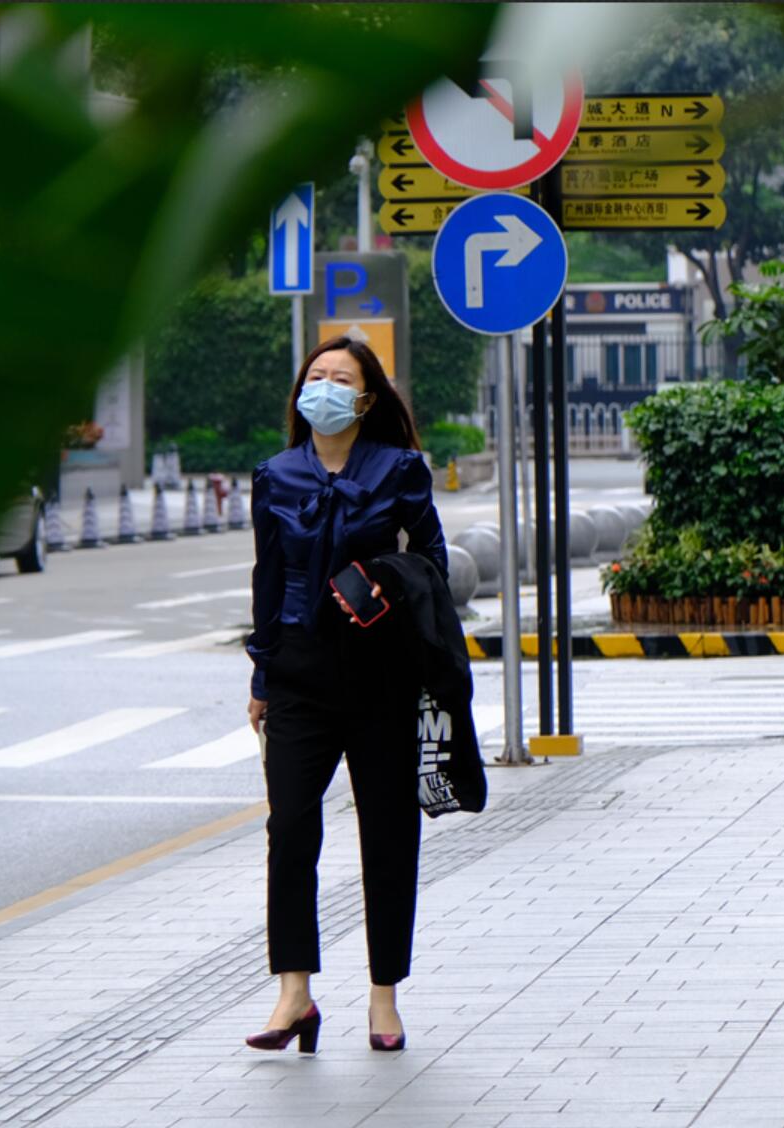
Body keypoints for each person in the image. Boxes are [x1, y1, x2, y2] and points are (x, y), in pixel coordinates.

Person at [243, 335, 447, 1055]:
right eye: (316, 375)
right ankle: (294, 992)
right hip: (299, 674)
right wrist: (262, 675)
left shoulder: (399, 469)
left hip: (380, 669)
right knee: (291, 830)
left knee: (387, 834)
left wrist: (384, 583)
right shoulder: (275, 475)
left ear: (364, 399)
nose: (323, 386)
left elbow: (432, 561)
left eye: (339, 378)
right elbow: (268, 579)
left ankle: (383, 996)